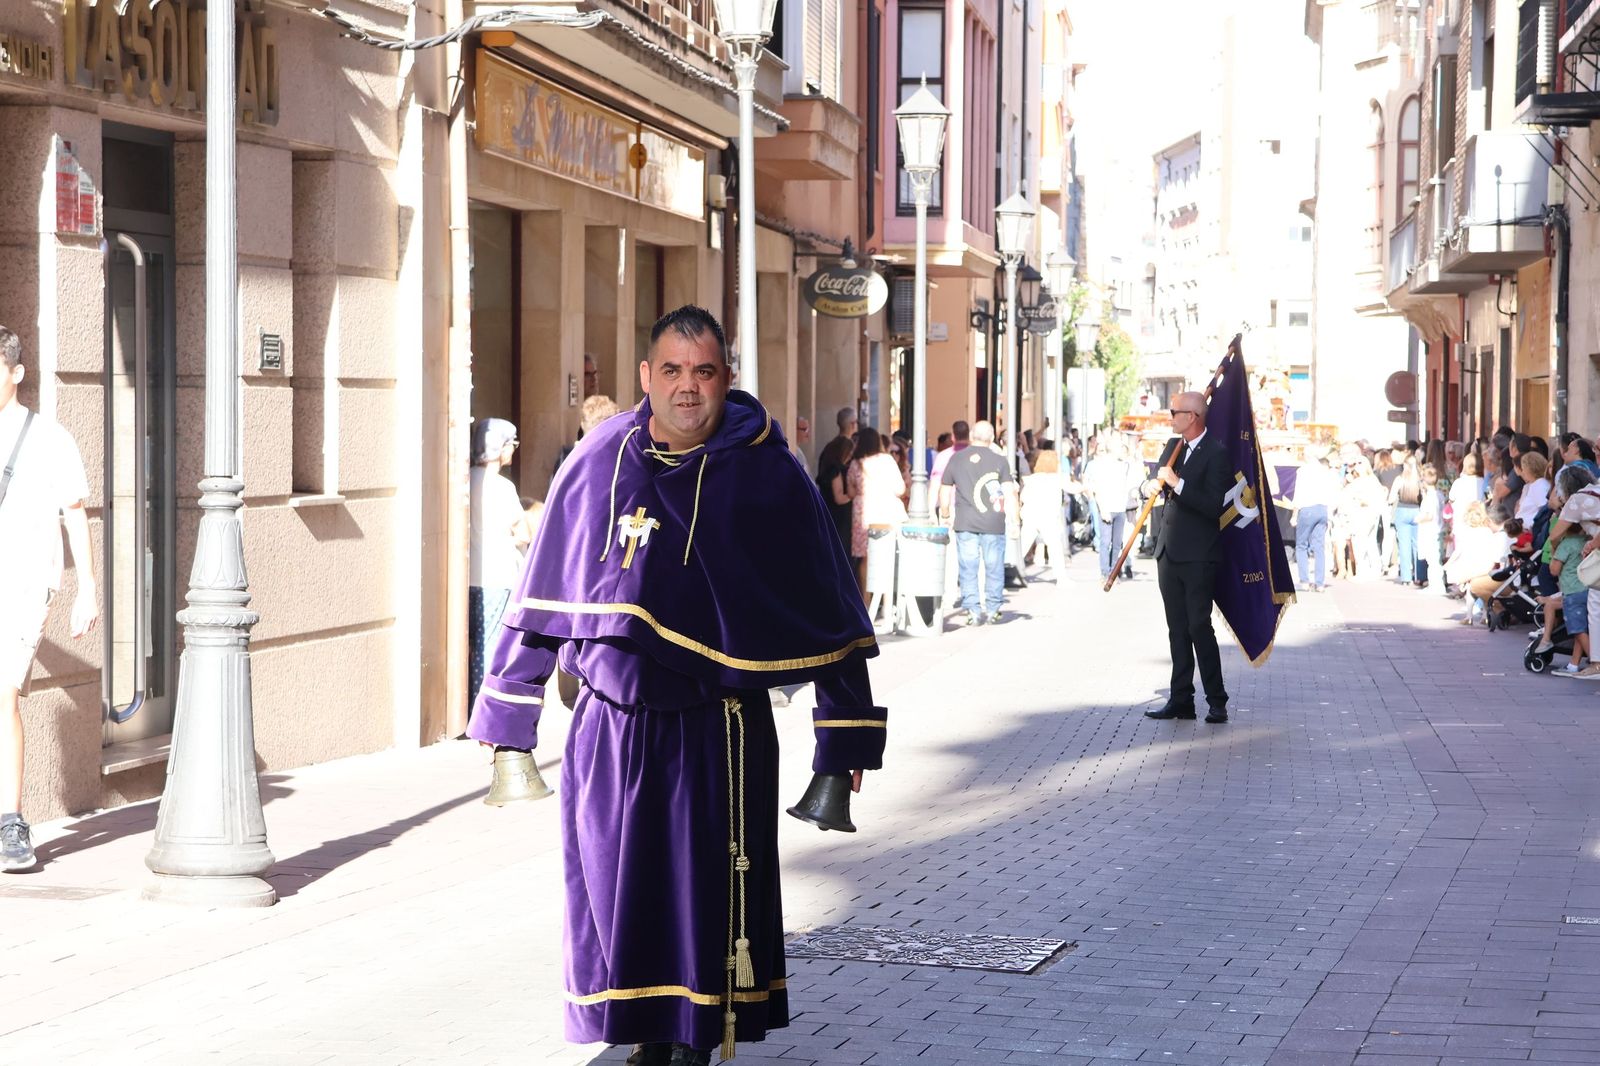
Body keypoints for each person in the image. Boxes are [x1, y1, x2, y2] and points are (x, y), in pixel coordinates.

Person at [468, 306, 885, 1065]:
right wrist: (509, 722)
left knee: (704, 900)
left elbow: (828, 606)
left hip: (716, 726)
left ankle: (692, 1042)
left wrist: (843, 735)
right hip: (611, 728)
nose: (686, 389)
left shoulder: (767, 469)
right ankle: (644, 1036)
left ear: (726, 377)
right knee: (616, 898)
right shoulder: (599, 459)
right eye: (671, 371)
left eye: (702, 372)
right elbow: (542, 595)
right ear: (644, 377)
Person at [0, 326, 98, 871]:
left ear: (16, 373)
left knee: (1, 693)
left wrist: (87, 587)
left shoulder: (50, 438)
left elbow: (75, 511)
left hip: (23, 583)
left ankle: (11, 822)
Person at [1144, 392, 1230, 724]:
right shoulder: (1172, 446)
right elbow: (1156, 479)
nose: (1171, 417)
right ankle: (1181, 699)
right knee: (1176, 628)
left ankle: (1217, 699)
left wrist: (1177, 483)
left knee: (1198, 626)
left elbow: (1213, 506)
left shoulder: (1217, 454)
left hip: (1199, 555)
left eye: (1174, 412)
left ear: (1192, 416)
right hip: (1169, 551)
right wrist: (1149, 486)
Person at [469, 419, 533, 721]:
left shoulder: (466, 481)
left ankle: (468, 706)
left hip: (470, 575)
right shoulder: (503, 487)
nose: (513, 450)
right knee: (492, 643)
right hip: (498, 574)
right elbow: (524, 534)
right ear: (499, 447)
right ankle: (484, 710)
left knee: (472, 641)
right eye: (511, 444)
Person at [940, 420, 1015, 625]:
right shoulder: (1000, 460)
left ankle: (973, 610)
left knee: (968, 566)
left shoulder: (956, 459)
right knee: (994, 565)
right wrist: (1015, 518)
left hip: (965, 522)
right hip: (993, 522)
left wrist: (945, 513)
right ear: (991, 438)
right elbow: (1009, 491)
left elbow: (945, 490)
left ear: (972, 435)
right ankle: (993, 608)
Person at [847, 428, 907, 592]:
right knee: (886, 556)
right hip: (886, 512)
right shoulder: (887, 460)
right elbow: (900, 489)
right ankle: (886, 600)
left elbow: (851, 492)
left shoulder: (855, 463)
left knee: (865, 559)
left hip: (863, 515)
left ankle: (866, 600)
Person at [1082, 437, 1136, 580]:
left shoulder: (1124, 465)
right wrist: (1102, 508)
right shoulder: (1102, 465)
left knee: (1117, 543)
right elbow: (1097, 489)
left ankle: (1114, 571)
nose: (1121, 450)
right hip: (1107, 507)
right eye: (1119, 448)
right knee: (1105, 542)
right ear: (1112, 449)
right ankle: (1105, 573)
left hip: (1120, 508)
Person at [1289, 447, 1338, 591]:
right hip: (1322, 508)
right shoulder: (1325, 472)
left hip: (1306, 508)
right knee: (1319, 547)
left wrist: (1294, 515)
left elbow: (1298, 494)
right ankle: (1320, 583)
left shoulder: (1303, 471)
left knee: (1301, 545)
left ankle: (1304, 581)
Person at [1018, 448, 1069, 578]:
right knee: (1055, 548)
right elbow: (1071, 488)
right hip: (1048, 518)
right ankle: (1061, 578)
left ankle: (1007, 574)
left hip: (1031, 517)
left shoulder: (1032, 479)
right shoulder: (1057, 478)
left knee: (1021, 548)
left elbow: (1023, 497)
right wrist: (1086, 487)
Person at [815, 435, 854, 560]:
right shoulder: (836, 470)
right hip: (839, 518)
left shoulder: (828, 468)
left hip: (832, 515)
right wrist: (853, 495)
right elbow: (839, 497)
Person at [1390, 456, 1424, 586]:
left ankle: (1406, 577)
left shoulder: (1400, 479)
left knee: (1404, 545)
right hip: (1417, 510)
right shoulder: (1419, 480)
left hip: (1402, 510)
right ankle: (1419, 575)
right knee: (1417, 544)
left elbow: (1391, 498)